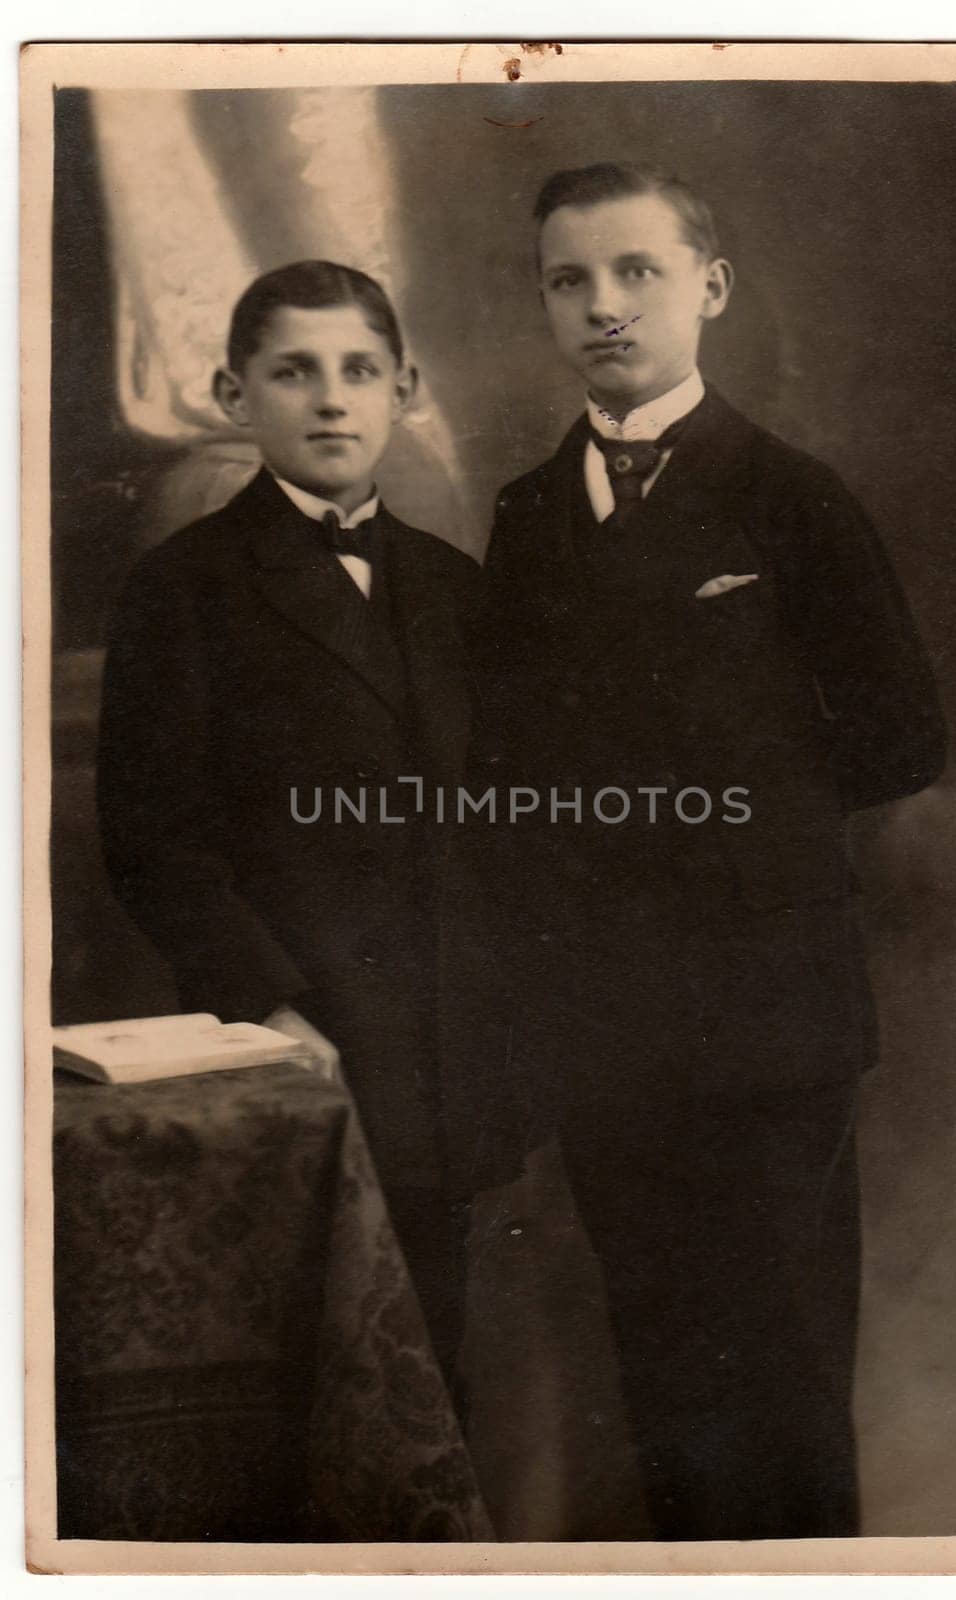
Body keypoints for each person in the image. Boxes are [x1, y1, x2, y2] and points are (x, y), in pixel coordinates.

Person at [466, 163, 947, 1539]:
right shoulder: (527, 515)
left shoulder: (790, 497)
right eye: (571, 280)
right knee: (663, 1372)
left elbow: (897, 739)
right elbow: (509, 769)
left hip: (765, 1022)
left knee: (779, 1379)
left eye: (637, 273)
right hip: (607, 1029)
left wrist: (708, 819)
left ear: (710, 290)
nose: (603, 308)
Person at [97, 260, 479, 1389]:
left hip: (439, 1057)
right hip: (288, 1042)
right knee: (298, 1376)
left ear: (403, 388)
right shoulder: (182, 591)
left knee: (430, 1369)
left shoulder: (455, 587)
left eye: (359, 370)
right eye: (293, 372)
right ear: (232, 394)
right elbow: (153, 839)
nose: (330, 399)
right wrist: (267, 1006)